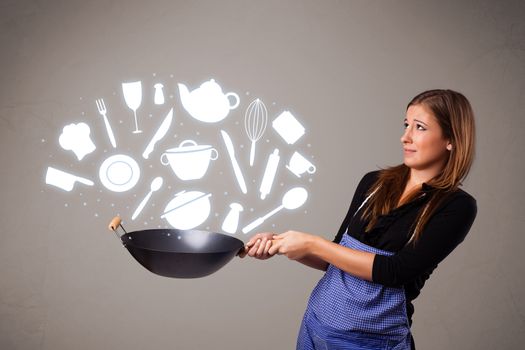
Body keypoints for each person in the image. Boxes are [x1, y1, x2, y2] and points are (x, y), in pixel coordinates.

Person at [239, 89, 477, 350]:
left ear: (450, 139)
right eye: (406, 124)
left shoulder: (456, 207)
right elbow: (336, 257)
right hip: (316, 325)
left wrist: (312, 244)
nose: (405, 137)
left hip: (371, 342)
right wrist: (280, 244)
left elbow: (395, 272)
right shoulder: (373, 183)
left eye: (419, 128)